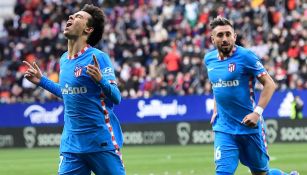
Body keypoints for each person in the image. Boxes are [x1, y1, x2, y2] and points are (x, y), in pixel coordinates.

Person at [23, 4, 125, 175]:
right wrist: (42, 81)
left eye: (78, 17)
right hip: (71, 146)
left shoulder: (99, 57)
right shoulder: (64, 60)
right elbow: (67, 93)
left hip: (100, 142)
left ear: (88, 29)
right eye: (72, 15)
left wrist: (101, 81)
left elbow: (116, 97)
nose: (71, 17)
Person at [204, 16, 299, 175]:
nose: (225, 38)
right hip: (224, 128)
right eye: (220, 35)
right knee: (223, 172)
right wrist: (215, 110)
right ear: (212, 39)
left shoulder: (246, 56)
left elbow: (270, 84)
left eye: (228, 34)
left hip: (248, 127)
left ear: (234, 36)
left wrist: (257, 113)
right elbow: (217, 86)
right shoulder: (209, 59)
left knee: (261, 173)